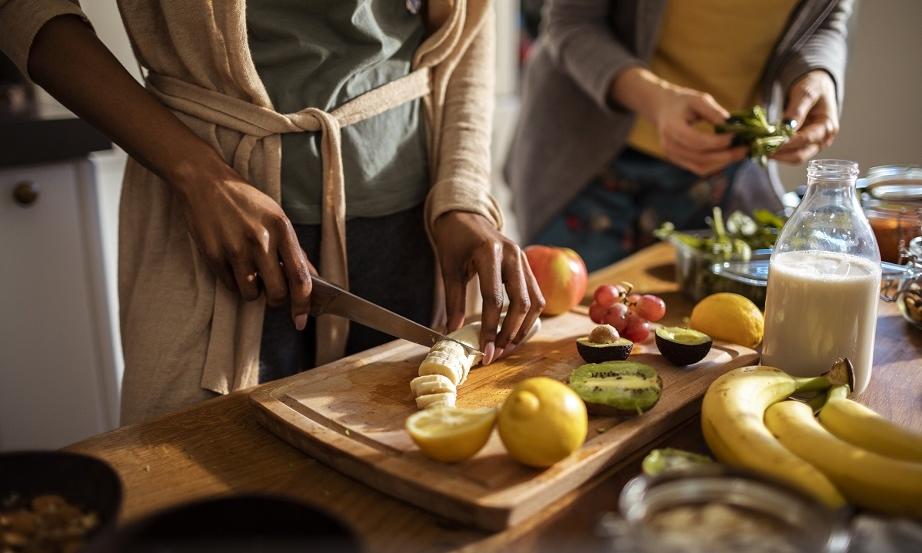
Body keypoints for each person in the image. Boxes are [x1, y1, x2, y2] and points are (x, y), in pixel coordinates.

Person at [0, 0, 543, 424]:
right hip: (213, 235)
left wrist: (464, 197)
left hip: (416, 232)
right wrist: (196, 173)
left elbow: (469, 31)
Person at [505, 0, 853, 271]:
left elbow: (823, 22)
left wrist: (818, 75)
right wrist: (654, 99)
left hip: (721, 172)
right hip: (583, 161)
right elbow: (571, 23)